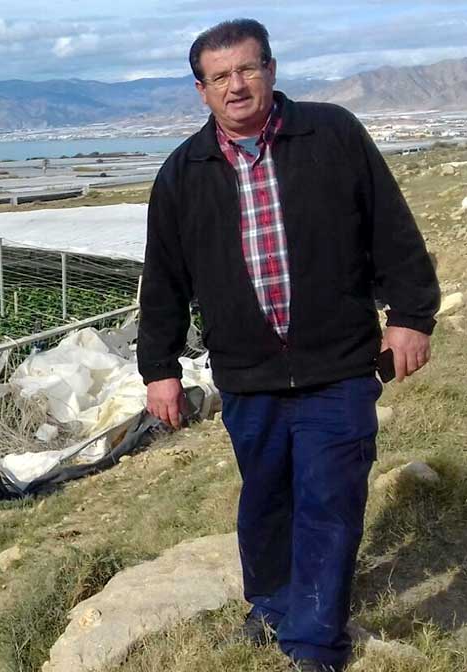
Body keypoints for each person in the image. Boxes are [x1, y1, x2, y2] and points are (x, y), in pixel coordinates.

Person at [137, 19, 439, 672]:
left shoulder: (331, 136)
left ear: (270, 70)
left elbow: (392, 229)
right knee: (266, 501)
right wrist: (159, 370)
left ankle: (313, 642)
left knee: (330, 501)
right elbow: (163, 282)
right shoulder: (182, 174)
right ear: (202, 91)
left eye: (247, 69)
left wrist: (411, 315)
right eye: (220, 77)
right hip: (248, 377)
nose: (236, 85)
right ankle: (271, 607)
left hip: (338, 368)